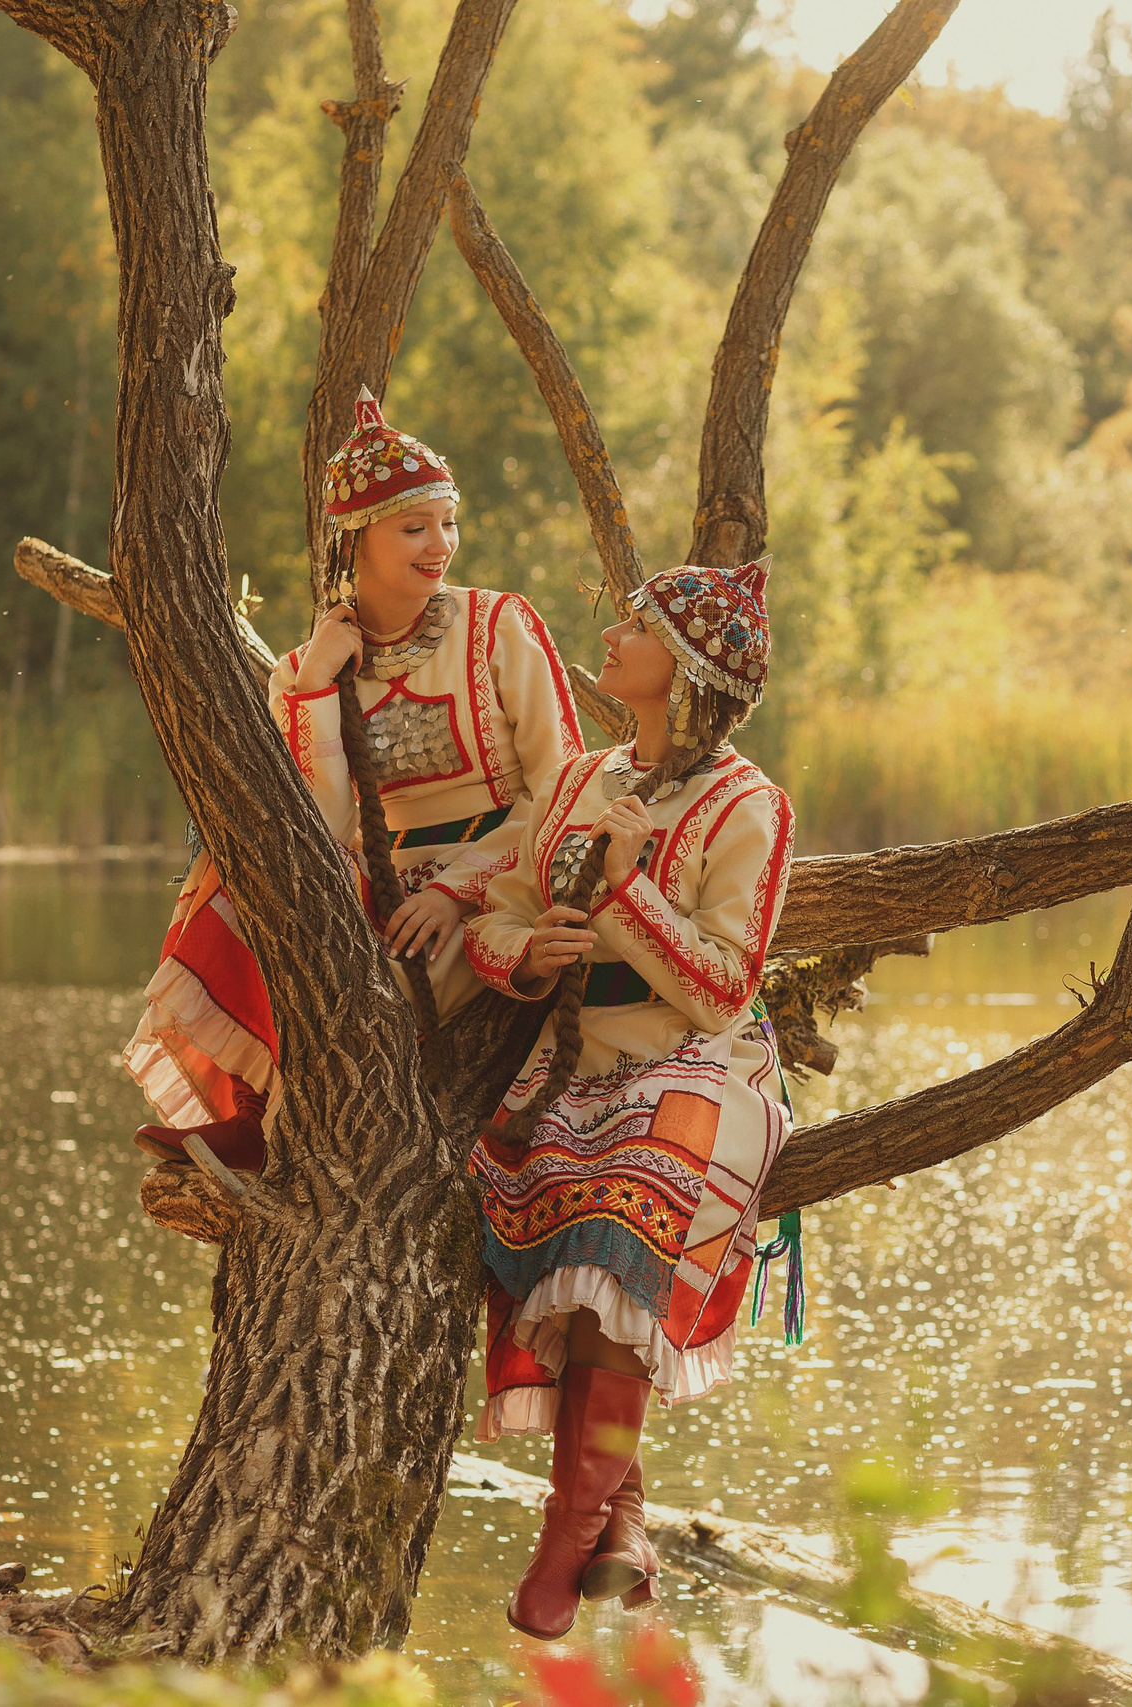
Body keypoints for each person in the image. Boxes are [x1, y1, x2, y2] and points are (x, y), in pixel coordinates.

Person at [123, 389, 585, 1171]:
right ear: (354, 542)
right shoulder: (309, 668)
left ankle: (282, 1114)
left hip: (494, 887)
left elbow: (565, 789)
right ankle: (249, 1107)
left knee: (378, 975)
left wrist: (454, 891)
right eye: (414, 528)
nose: (440, 545)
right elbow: (322, 825)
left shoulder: (498, 625)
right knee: (235, 871)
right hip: (374, 892)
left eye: (447, 522)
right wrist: (314, 689)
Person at [462, 558, 792, 1639]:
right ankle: (623, 1518)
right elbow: (496, 915)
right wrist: (529, 950)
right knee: (514, 1193)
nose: (613, 634)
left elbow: (719, 990)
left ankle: (570, 1530)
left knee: (618, 1206)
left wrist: (623, 892)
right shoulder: (581, 780)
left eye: (641, 625)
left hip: (696, 1069)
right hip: (576, 1063)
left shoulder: (750, 806)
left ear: (689, 670)